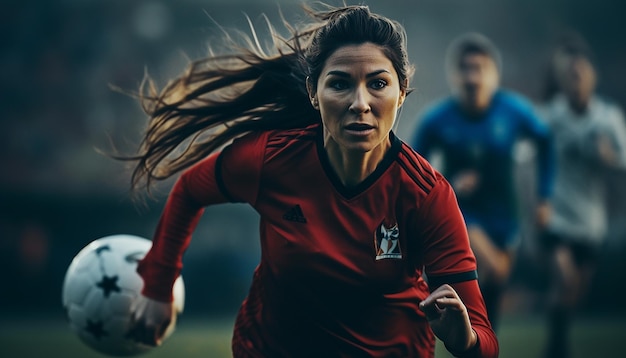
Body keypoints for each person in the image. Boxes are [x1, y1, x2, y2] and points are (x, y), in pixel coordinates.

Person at [123, 4, 498, 357]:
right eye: (339, 84)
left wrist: (464, 339)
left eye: (378, 84)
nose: (360, 103)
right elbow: (191, 188)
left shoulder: (427, 195)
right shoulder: (270, 160)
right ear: (313, 94)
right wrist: (157, 286)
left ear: (401, 94)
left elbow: (485, 340)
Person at [411, 32, 555, 330]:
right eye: (465, 69)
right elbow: (413, 167)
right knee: (489, 267)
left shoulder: (513, 112)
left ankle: (483, 339)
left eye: (480, 68)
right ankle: (471, 333)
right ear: (454, 75)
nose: (472, 77)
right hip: (463, 213)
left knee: (498, 278)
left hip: (505, 214)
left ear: (494, 74)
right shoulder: (437, 119)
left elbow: (546, 143)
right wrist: (448, 184)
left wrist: (544, 197)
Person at [537, 32, 626, 358]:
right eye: (567, 75)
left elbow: (622, 161)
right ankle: (556, 350)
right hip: (556, 214)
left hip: (591, 220)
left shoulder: (607, 117)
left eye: (578, 72)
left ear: (592, 74)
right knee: (565, 279)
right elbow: (523, 152)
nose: (573, 79)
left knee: (575, 293)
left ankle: (555, 343)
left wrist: (609, 158)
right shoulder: (548, 116)